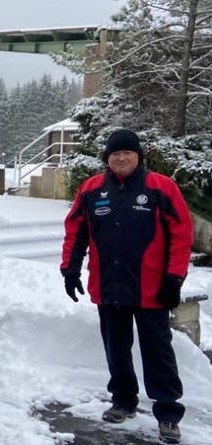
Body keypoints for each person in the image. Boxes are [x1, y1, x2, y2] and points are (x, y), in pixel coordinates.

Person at [61, 129, 193, 444]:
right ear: (107, 158)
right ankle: (123, 401)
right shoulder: (92, 189)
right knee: (116, 347)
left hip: (152, 289)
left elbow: (181, 234)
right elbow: (75, 231)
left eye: (127, 153)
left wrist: (174, 278)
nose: (121, 158)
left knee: (157, 351)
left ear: (139, 156)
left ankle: (168, 413)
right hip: (108, 285)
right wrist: (70, 269)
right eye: (115, 153)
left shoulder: (162, 188)